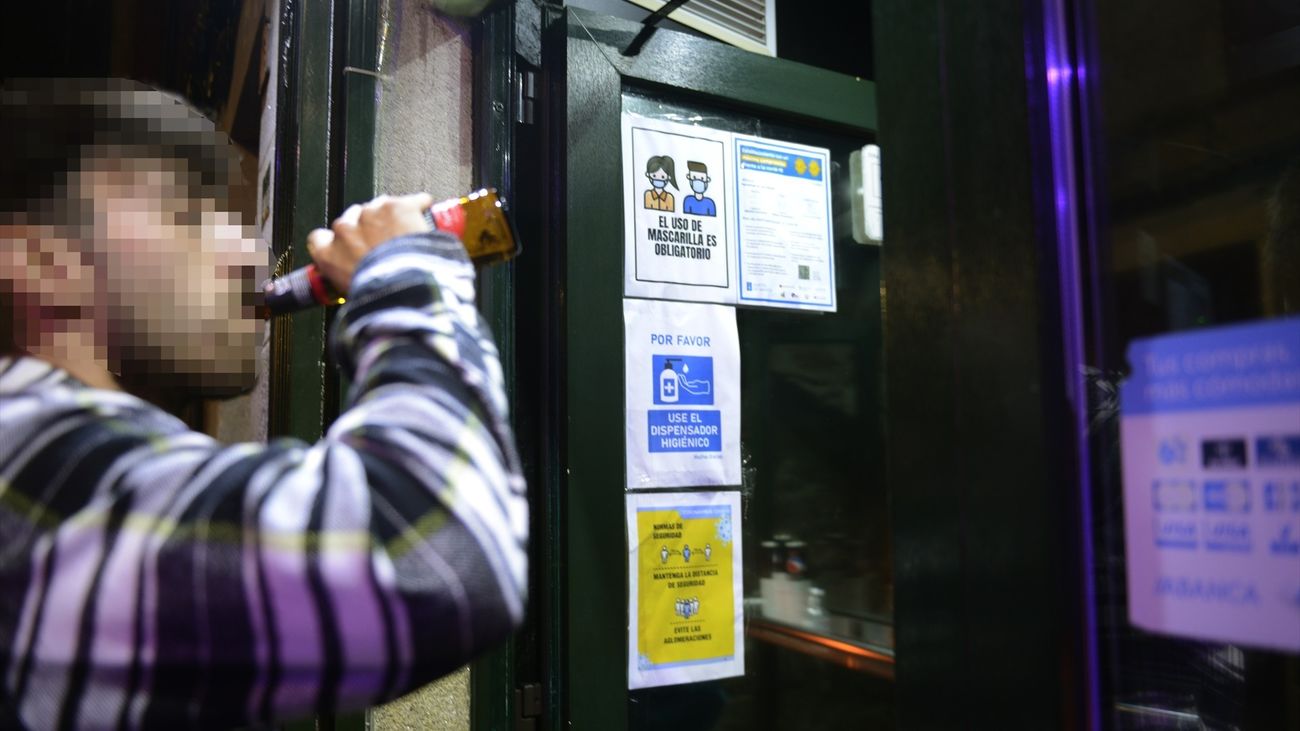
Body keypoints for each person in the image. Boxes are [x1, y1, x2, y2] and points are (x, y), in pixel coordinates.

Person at [0, 79, 527, 730]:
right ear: (42, 262)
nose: (251, 256)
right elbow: (441, 549)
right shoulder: (29, 455)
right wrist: (406, 274)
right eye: (186, 215)